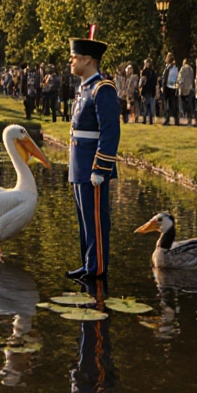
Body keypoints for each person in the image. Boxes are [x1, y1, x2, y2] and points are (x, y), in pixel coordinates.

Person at [66, 38, 119, 281]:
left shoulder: (102, 88)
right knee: (85, 217)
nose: (71, 61)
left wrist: (101, 167)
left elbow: (110, 131)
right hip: (80, 163)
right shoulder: (85, 88)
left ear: (88, 60)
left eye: (75, 57)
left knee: (96, 219)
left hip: (92, 166)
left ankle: (97, 267)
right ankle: (88, 263)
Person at [138, 60, 157, 125]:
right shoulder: (144, 72)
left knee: (149, 106)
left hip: (150, 90)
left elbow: (155, 82)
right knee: (146, 106)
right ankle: (145, 119)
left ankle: (149, 120)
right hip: (146, 91)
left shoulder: (151, 72)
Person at [178, 57, 196, 126]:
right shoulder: (191, 69)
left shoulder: (182, 69)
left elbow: (181, 79)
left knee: (183, 105)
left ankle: (182, 119)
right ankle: (190, 120)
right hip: (190, 88)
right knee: (190, 106)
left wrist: (180, 87)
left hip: (183, 89)